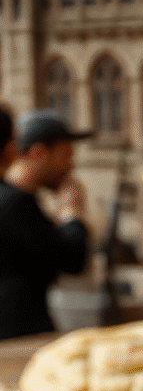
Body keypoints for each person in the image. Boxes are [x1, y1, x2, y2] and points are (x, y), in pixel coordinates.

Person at [0, 108, 91, 339]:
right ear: (40, 153)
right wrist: (72, 214)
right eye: (66, 155)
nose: (71, 166)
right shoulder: (14, 202)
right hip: (17, 337)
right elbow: (72, 260)